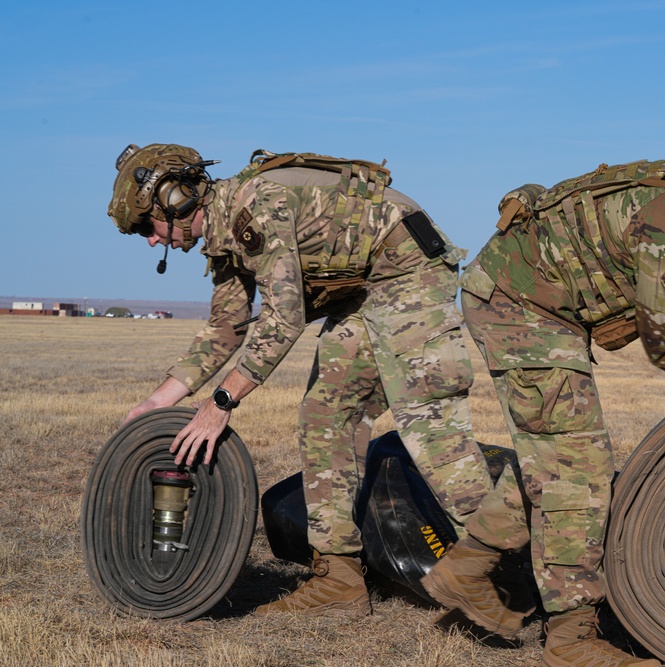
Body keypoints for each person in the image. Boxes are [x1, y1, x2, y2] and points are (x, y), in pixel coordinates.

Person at [421, 119, 665, 667]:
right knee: (579, 470)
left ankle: (466, 569)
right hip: (520, 305)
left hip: (533, 304)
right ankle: (572, 639)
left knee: (552, 459)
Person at [108, 144, 492, 617]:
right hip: (363, 292)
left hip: (409, 275)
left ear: (178, 197)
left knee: (431, 432)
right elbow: (226, 327)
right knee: (326, 415)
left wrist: (221, 402)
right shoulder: (224, 238)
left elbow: (284, 317)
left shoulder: (257, 207)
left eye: (148, 226)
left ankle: (502, 571)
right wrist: (158, 401)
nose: (151, 240)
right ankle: (340, 580)